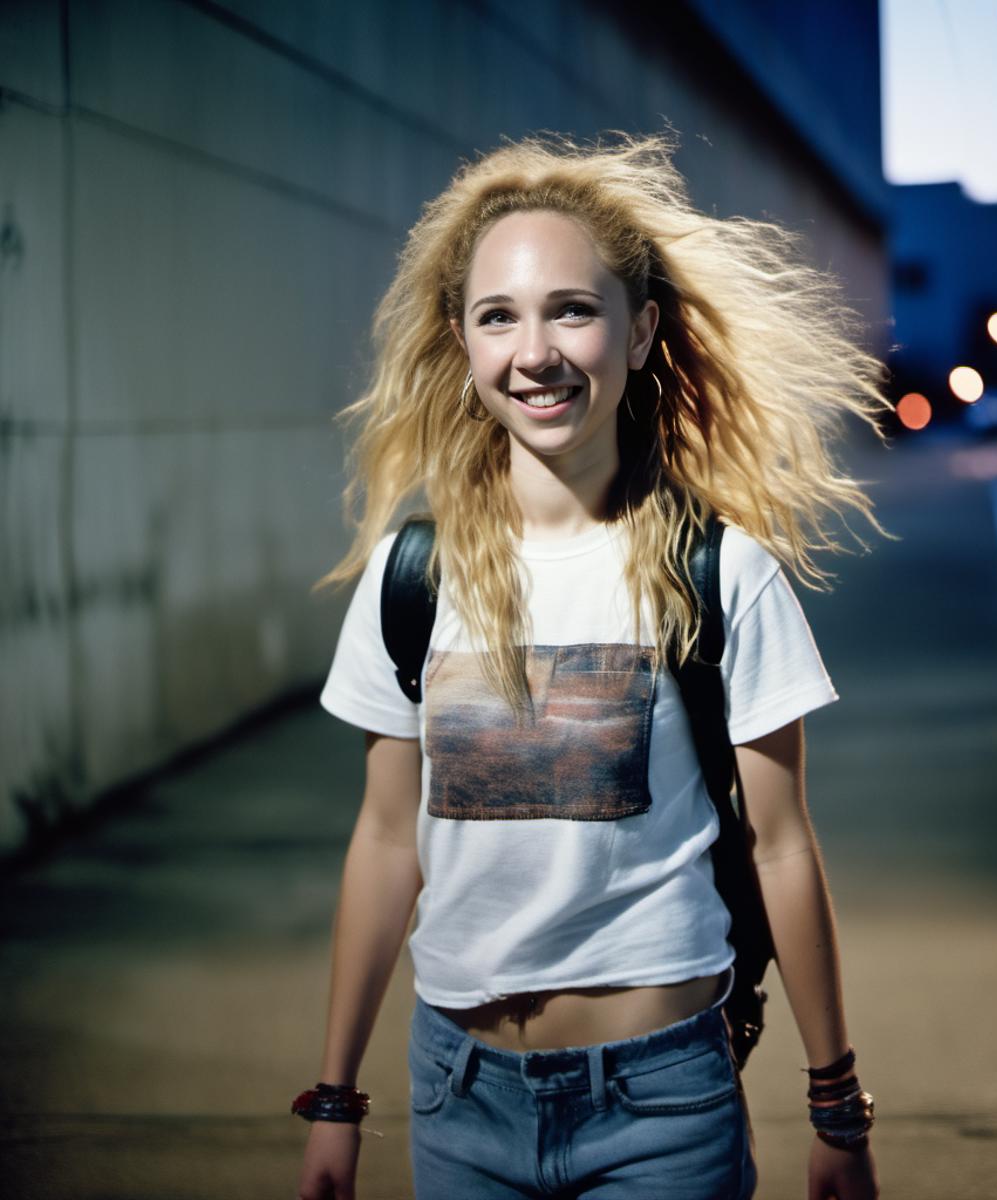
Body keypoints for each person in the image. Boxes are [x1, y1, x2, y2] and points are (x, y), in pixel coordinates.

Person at [296, 133, 890, 1200]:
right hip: (457, 1097)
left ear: (642, 327)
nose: (537, 352)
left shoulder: (722, 573)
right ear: (461, 340)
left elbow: (784, 848)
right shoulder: (412, 576)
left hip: (660, 1108)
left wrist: (835, 1100)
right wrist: (336, 1101)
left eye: (573, 308)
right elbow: (387, 842)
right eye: (499, 316)